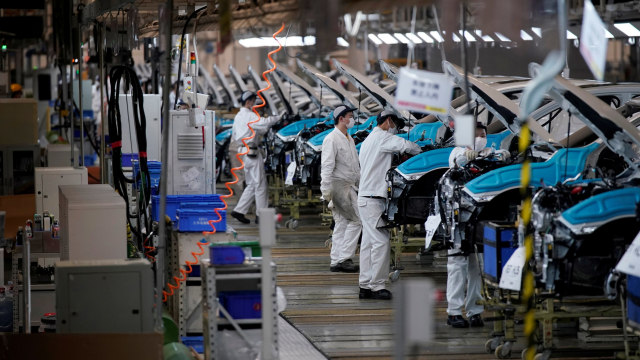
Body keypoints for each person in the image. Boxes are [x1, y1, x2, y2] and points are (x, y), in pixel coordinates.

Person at [446, 122, 509, 327]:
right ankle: (454, 312)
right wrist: (466, 157)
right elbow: (455, 161)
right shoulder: (458, 152)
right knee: (458, 264)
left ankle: (475, 310)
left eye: (483, 134)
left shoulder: (488, 153)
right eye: (477, 135)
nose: (481, 138)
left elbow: (499, 157)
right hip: (460, 218)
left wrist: (502, 154)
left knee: (478, 266)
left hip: (482, 217)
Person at [358, 109, 421, 300]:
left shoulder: (370, 139)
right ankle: (377, 286)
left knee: (369, 243)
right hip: (372, 199)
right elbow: (405, 145)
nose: (396, 130)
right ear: (387, 121)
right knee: (380, 241)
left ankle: (365, 285)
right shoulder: (382, 138)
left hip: (367, 197)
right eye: (396, 125)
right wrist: (421, 149)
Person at [320, 105, 361, 273]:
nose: (352, 119)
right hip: (338, 187)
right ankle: (344, 258)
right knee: (357, 220)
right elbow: (327, 166)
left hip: (348, 186)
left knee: (341, 223)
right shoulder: (332, 139)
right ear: (341, 119)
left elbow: (353, 165)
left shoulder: (348, 138)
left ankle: (336, 260)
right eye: (350, 116)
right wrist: (326, 191)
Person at [230, 90, 279, 224]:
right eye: (253, 101)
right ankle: (261, 215)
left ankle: (239, 211)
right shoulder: (249, 115)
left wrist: (267, 125)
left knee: (252, 184)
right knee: (260, 185)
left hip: (243, 152)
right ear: (248, 102)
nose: (255, 104)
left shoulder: (239, 116)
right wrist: (277, 117)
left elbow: (259, 129)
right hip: (251, 153)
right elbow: (263, 123)